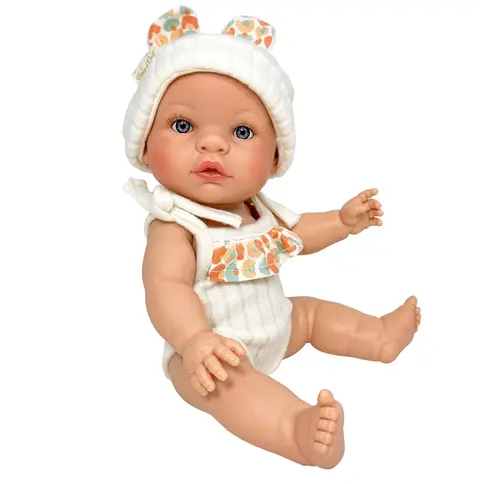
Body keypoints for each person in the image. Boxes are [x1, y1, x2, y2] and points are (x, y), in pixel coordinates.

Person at [123, 6, 421, 468]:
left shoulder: (258, 210)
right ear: (144, 145)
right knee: (232, 390)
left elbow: (298, 234)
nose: (212, 144)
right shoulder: (176, 225)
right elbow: (165, 287)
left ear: (274, 158)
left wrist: (342, 222)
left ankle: (378, 337)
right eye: (183, 126)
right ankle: (296, 430)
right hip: (210, 358)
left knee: (311, 313)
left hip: (279, 326)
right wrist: (195, 339)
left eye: (242, 132)